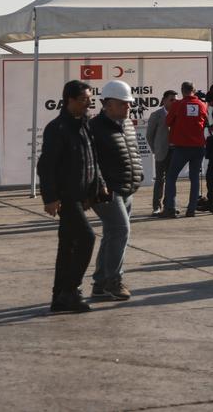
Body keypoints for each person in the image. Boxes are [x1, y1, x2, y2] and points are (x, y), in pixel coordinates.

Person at [38, 79, 107, 313]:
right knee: (87, 238)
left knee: (67, 246)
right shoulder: (57, 128)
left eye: (90, 98)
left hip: (82, 195)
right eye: (84, 99)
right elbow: (46, 166)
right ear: (70, 100)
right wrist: (50, 197)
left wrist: (99, 186)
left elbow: (92, 159)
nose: (89, 103)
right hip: (66, 197)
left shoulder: (84, 124)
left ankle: (59, 298)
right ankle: (71, 290)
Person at [87, 80, 143, 302]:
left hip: (126, 187)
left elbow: (133, 151)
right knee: (121, 231)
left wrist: (138, 174)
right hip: (106, 191)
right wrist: (101, 185)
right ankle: (113, 281)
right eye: (123, 104)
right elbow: (91, 161)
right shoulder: (94, 127)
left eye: (129, 104)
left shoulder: (126, 123)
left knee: (112, 235)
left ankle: (100, 285)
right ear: (107, 104)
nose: (128, 107)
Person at [162, 81, 208, 218]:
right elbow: (205, 122)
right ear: (193, 90)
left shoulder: (177, 105)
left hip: (182, 147)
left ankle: (170, 208)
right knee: (194, 178)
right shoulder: (202, 105)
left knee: (171, 177)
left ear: (182, 91)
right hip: (198, 147)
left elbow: (167, 122)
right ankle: (191, 209)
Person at [144, 90, 175, 215]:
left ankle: (169, 206)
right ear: (164, 100)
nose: (174, 102)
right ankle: (156, 206)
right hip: (161, 152)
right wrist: (155, 149)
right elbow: (149, 135)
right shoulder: (156, 115)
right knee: (159, 180)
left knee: (171, 179)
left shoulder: (177, 114)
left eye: (175, 100)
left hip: (174, 151)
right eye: (171, 99)